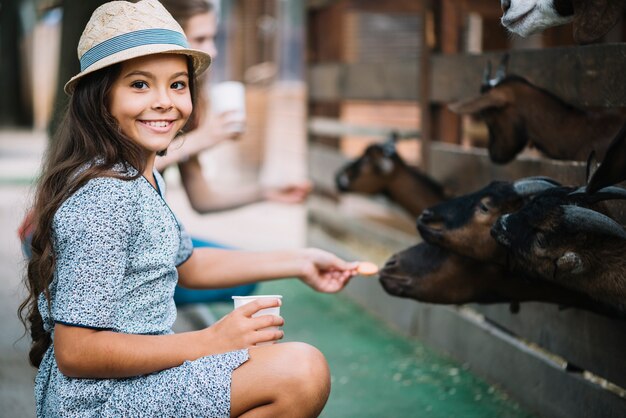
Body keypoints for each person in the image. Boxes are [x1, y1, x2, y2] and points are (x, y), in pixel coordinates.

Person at [19, 1, 358, 416]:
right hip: (99, 400)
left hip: (141, 380)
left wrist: (299, 260)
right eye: (140, 84)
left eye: (177, 84)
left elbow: (189, 264)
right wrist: (211, 341)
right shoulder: (105, 197)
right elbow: (77, 352)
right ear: (101, 97)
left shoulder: (143, 176)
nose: (164, 101)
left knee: (297, 369)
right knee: (299, 370)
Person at [156, 0, 312, 305]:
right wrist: (205, 138)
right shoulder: (132, 99)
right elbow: (119, 167)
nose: (212, 51)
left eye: (213, 38)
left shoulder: (190, 107)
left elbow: (202, 199)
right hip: (74, 243)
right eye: (200, 39)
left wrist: (266, 193)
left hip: (149, 242)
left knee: (243, 273)